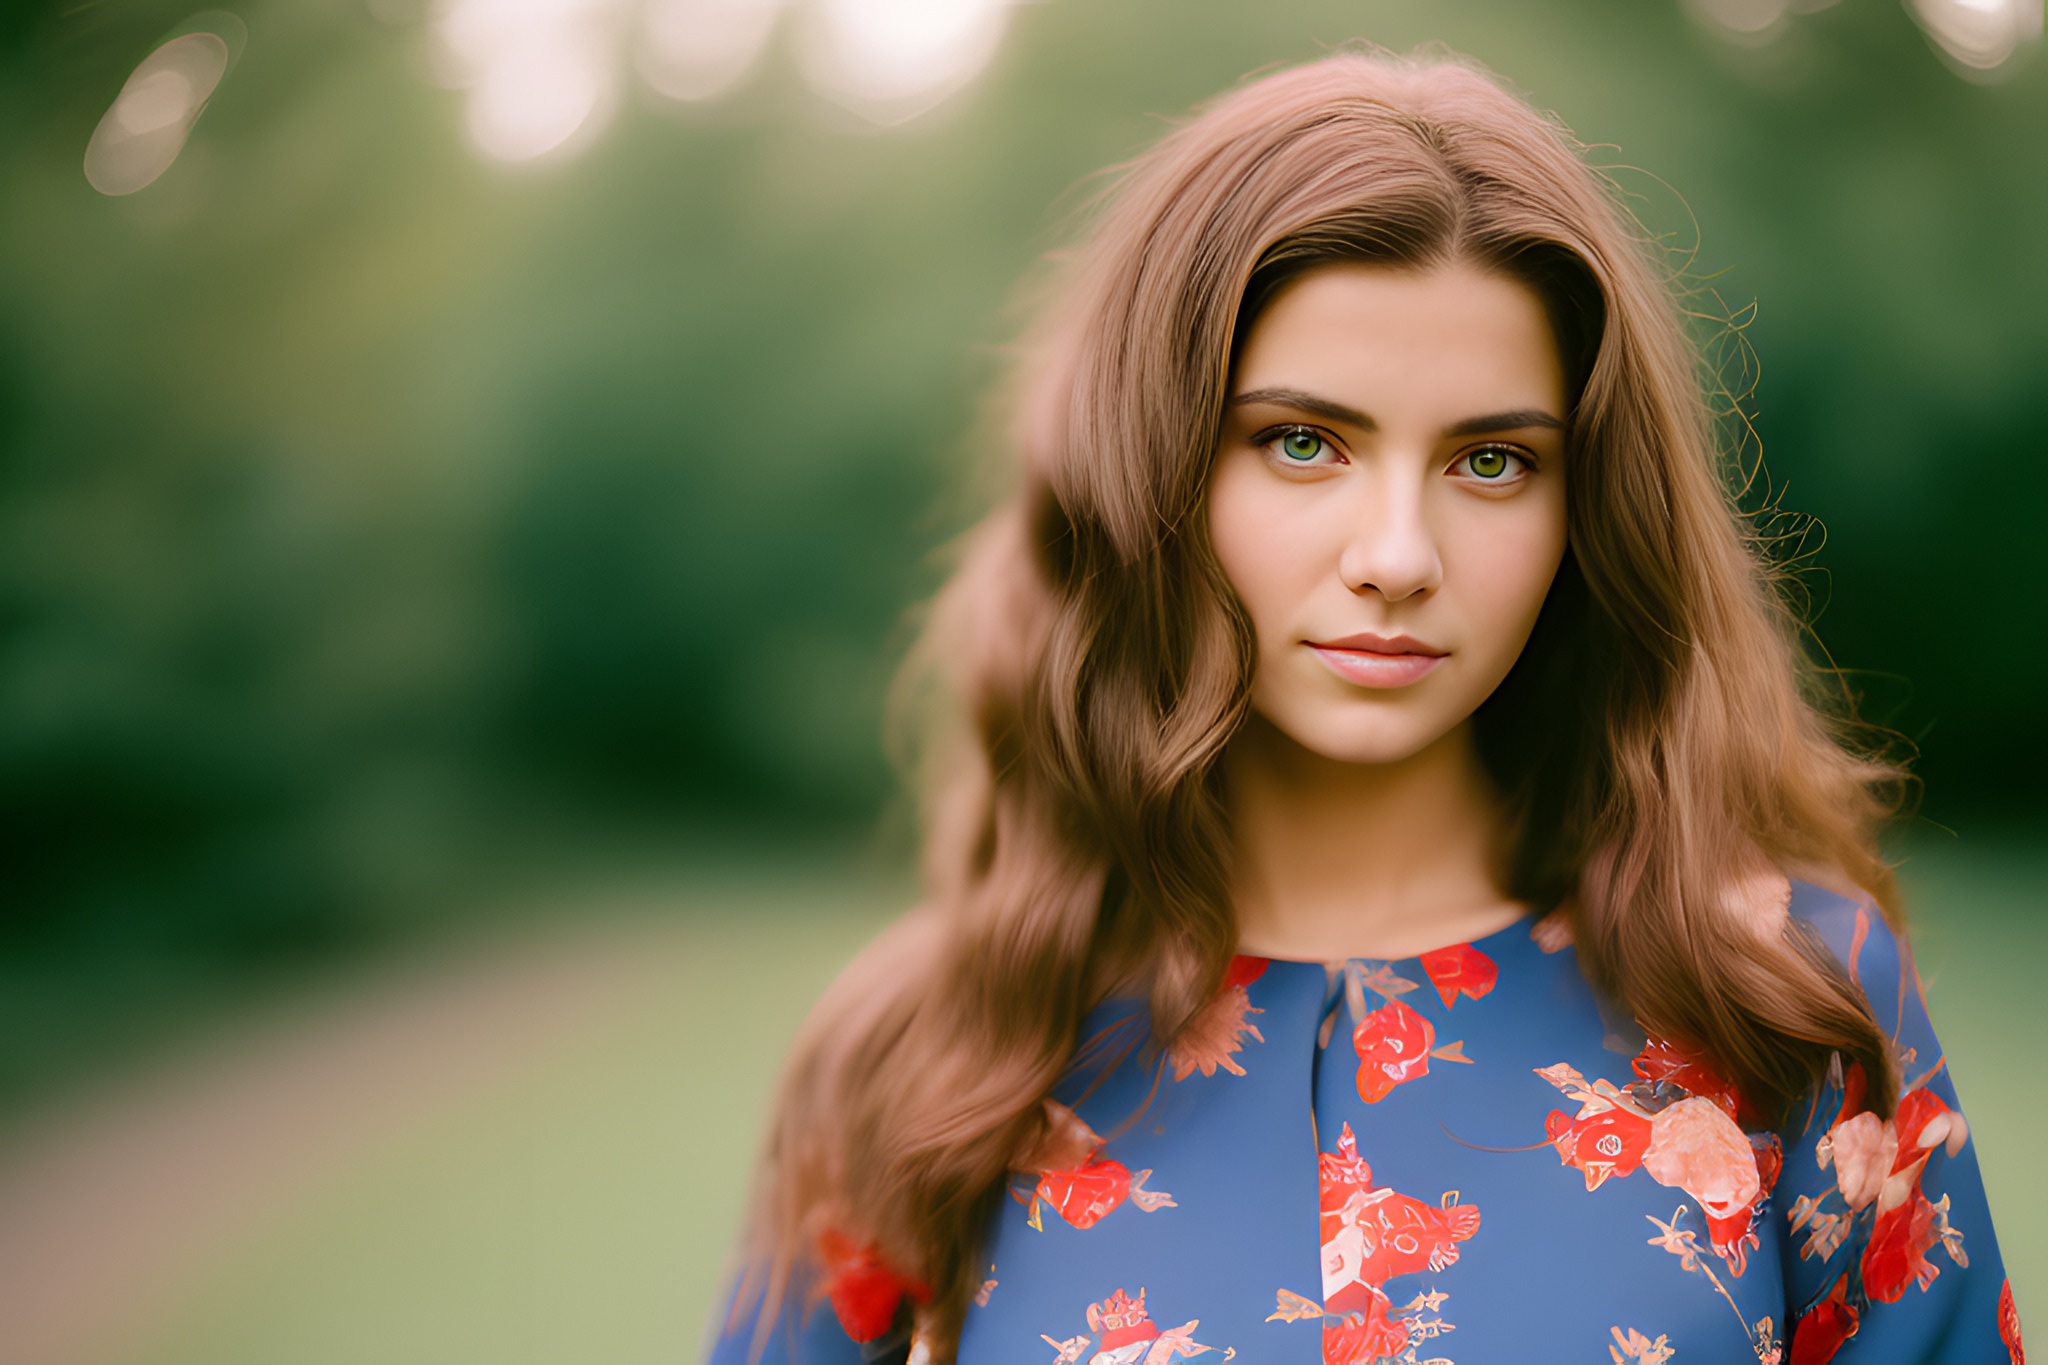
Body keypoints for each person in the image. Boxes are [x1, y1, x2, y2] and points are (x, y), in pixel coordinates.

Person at [706, 49, 2018, 1365]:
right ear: (1152, 472)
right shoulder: (913, 1060)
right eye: (1302, 442)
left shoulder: (1788, 1006)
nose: (1399, 552)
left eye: (1492, 460)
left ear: (1587, 511)